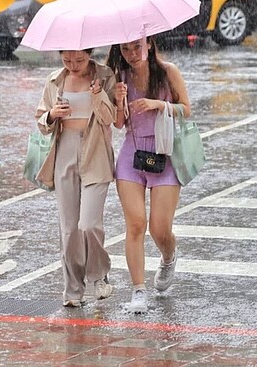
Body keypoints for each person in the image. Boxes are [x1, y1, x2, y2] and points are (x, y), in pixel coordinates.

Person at [107, 37, 191, 313]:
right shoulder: (120, 77)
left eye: (136, 47)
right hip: (132, 155)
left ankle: (168, 256)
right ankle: (138, 291)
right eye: (125, 48)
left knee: (159, 227)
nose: (131, 53)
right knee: (135, 224)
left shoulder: (168, 72)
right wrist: (119, 100)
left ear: (150, 44)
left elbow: (186, 110)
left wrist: (159, 105)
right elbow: (119, 124)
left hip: (165, 153)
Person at [34, 49, 117, 307]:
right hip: (65, 152)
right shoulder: (54, 80)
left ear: (89, 54)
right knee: (69, 230)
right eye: (67, 59)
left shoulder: (104, 76)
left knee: (89, 224)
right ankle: (72, 290)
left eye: (79, 60)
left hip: (96, 152)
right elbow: (41, 121)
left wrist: (98, 94)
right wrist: (52, 114)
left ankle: (99, 275)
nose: (73, 65)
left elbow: (110, 118)